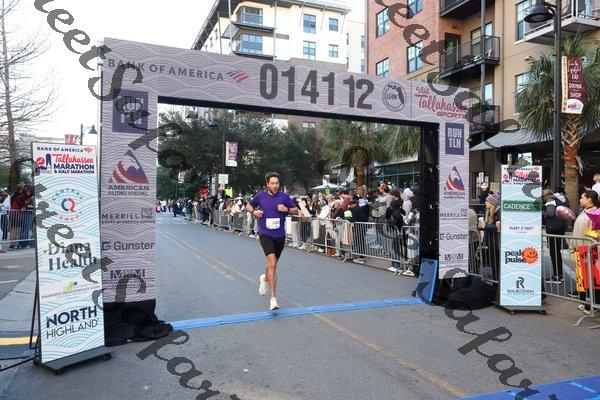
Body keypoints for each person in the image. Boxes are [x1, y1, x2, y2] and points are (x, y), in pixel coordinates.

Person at [246, 172, 299, 311]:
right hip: (265, 234)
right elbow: (248, 206)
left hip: (279, 235)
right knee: (273, 263)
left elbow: (296, 211)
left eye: (277, 183)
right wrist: (254, 212)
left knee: (272, 264)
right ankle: (273, 299)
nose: (275, 186)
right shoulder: (261, 196)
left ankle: (264, 279)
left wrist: (286, 209)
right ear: (267, 184)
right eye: (272, 183)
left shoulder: (284, 197)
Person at [571, 190, 600, 315]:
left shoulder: (596, 213)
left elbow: (596, 232)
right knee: (582, 278)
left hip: (590, 251)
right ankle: (585, 302)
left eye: (582, 197)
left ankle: (593, 304)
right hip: (580, 249)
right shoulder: (584, 211)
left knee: (591, 279)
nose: (580, 199)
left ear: (589, 199)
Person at [543, 188, 570, 284]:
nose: (543, 199)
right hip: (561, 226)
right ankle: (559, 275)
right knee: (556, 251)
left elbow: (550, 213)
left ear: (546, 195)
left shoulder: (551, 200)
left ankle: (557, 276)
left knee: (554, 252)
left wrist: (542, 210)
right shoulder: (562, 200)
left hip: (553, 228)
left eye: (543, 197)